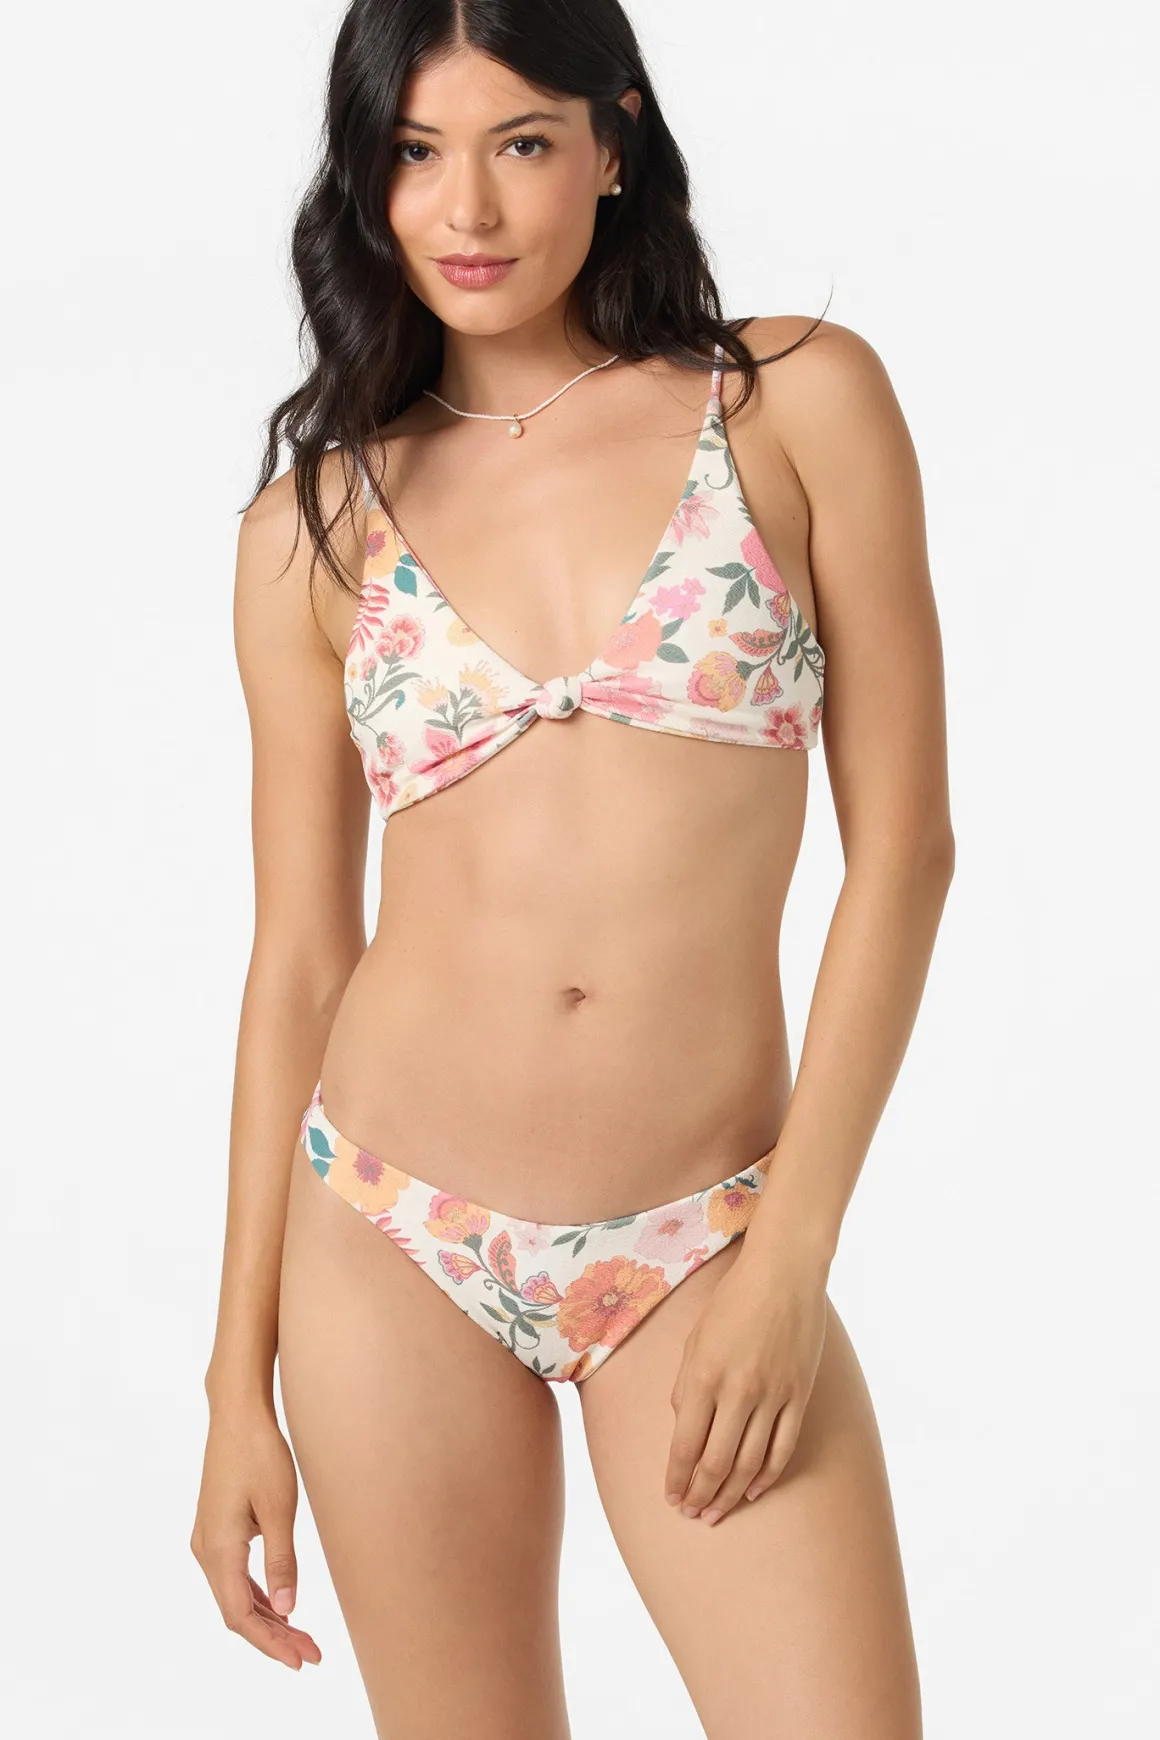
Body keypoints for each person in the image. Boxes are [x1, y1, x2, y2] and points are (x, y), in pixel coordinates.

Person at [191, 2, 954, 1734]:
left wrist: (791, 1261)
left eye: (521, 143)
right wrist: (238, 1382)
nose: (465, 209)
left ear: (614, 143)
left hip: (706, 1236)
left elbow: (906, 851)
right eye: (415, 153)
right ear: (367, 181)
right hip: (391, 1235)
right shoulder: (313, 527)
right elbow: (298, 961)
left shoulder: (793, 404)